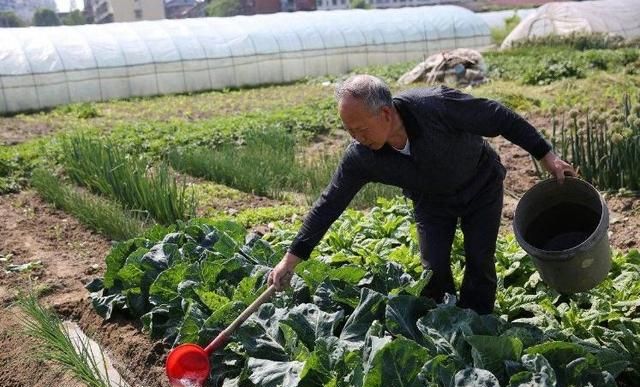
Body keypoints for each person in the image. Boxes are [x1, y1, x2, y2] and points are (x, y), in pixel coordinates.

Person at [268, 74, 575, 314]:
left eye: (361, 129)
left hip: (480, 184)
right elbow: (329, 203)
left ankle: (481, 324)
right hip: (432, 201)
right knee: (433, 270)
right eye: (350, 132)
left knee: (479, 260)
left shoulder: (435, 106)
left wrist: (546, 155)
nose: (357, 139)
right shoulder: (362, 156)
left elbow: (498, 117)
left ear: (386, 114)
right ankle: (445, 326)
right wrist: (290, 259)